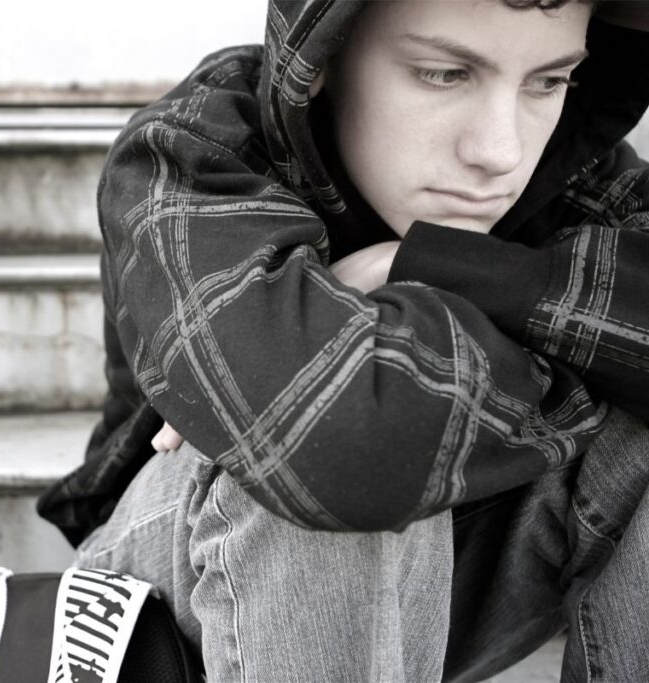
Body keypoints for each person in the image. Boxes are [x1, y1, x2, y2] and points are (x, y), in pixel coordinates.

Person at [38, 0, 649, 680]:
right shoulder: (196, 147)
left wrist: (433, 265)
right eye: (444, 74)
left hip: (448, 560)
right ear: (322, 61)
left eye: (547, 80)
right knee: (332, 460)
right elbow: (334, 437)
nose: (499, 152)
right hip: (159, 591)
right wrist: (587, 348)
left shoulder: (576, 174)